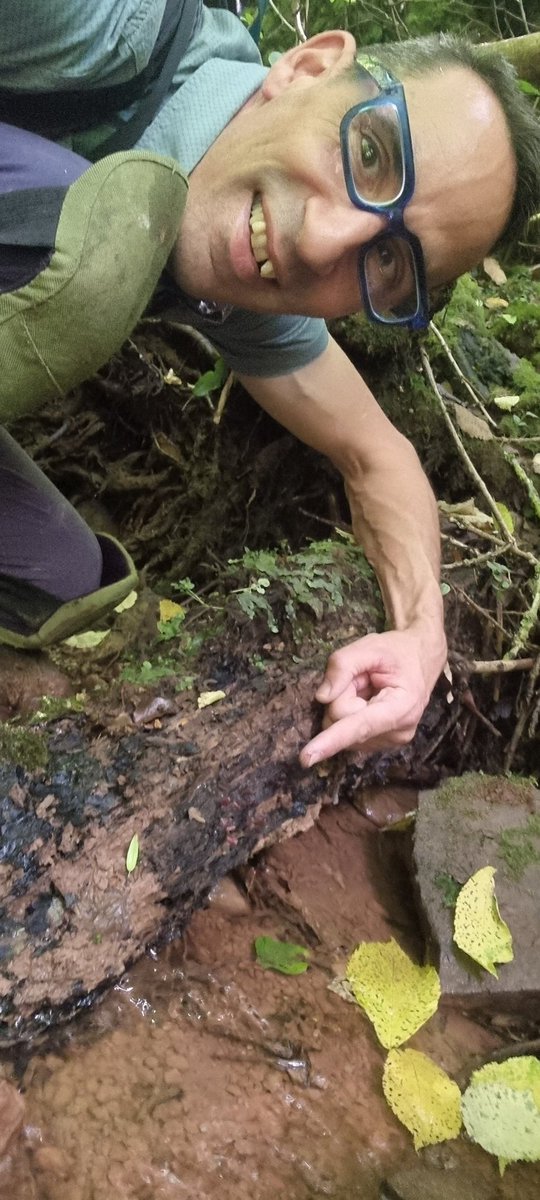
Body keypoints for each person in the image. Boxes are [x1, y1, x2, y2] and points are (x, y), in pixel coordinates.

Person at [0, 1, 538, 766]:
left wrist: (421, 637)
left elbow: (376, 456)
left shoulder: (248, 272)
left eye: (389, 263)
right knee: (99, 250)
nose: (322, 241)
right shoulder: (95, 23)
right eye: (372, 153)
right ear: (306, 66)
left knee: (65, 587)